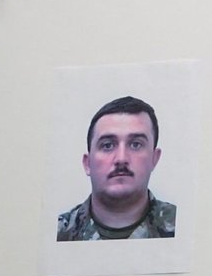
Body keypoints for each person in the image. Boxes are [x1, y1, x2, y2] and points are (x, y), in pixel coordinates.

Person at [56, 96, 176, 240]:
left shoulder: (183, 227)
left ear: (154, 159)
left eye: (136, 144)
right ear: (87, 164)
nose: (121, 159)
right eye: (107, 145)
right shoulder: (56, 233)